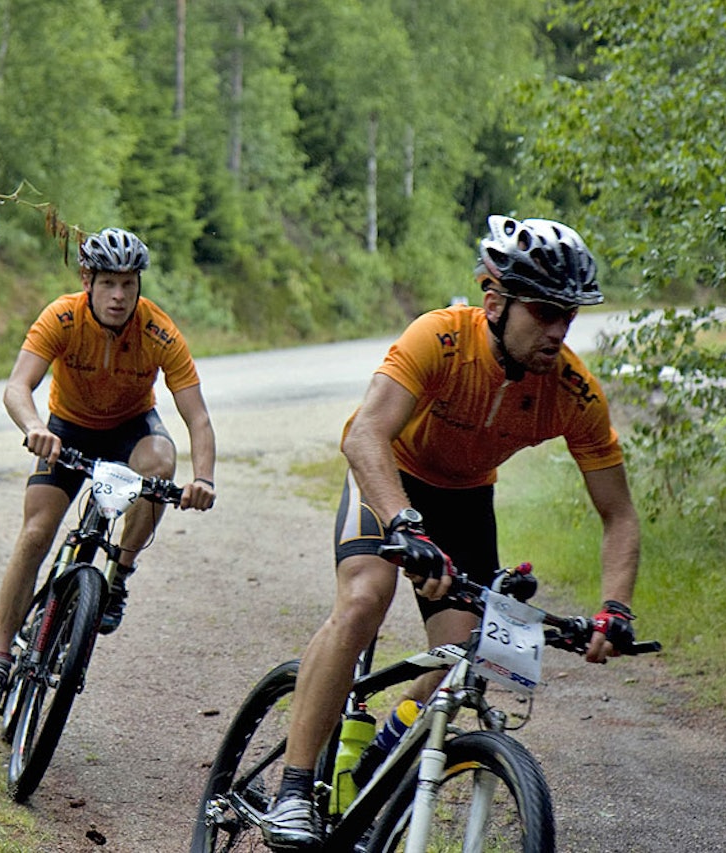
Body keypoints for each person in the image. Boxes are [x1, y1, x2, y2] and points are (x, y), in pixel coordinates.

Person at [260, 215, 642, 850]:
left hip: (466, 498)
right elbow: (364, 435)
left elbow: (619, 514)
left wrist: (614, 608)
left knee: (468, 652)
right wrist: (405, 524)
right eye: (543, 311)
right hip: (390, 475)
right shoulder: (438, 338)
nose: (557, 330)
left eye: (567, 315)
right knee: (362, 600)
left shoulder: (573, 392)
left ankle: (376, 762)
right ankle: (294, 791)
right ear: (495, 300)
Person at [0, 227, 217, 709]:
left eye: (128, 283)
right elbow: (17, 387)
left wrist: (204, 478)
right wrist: (34, 426)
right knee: (37, 531)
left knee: (160, 464)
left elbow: (198, 417)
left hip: (130, 429)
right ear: (88, 279)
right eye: (108, 283)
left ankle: (119, 574)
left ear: (139, 285)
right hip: (66, 430)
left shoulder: (158, 330)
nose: (119, 295)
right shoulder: (62, 316)